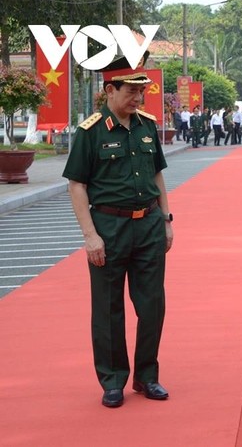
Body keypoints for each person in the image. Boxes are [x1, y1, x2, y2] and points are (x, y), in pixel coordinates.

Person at [62, 51, 173, 409]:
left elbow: (157, 174)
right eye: (131, 92)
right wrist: (90, 235)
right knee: (108, 309)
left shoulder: (146, 126)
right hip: (108, 227)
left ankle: (147, 376)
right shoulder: (91, 132)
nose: (138, 98)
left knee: (153, 305)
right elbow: (76, 184)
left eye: (141, 93)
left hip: (149, 224)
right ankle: (112, 379)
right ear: (110, 90)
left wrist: (167, 220)